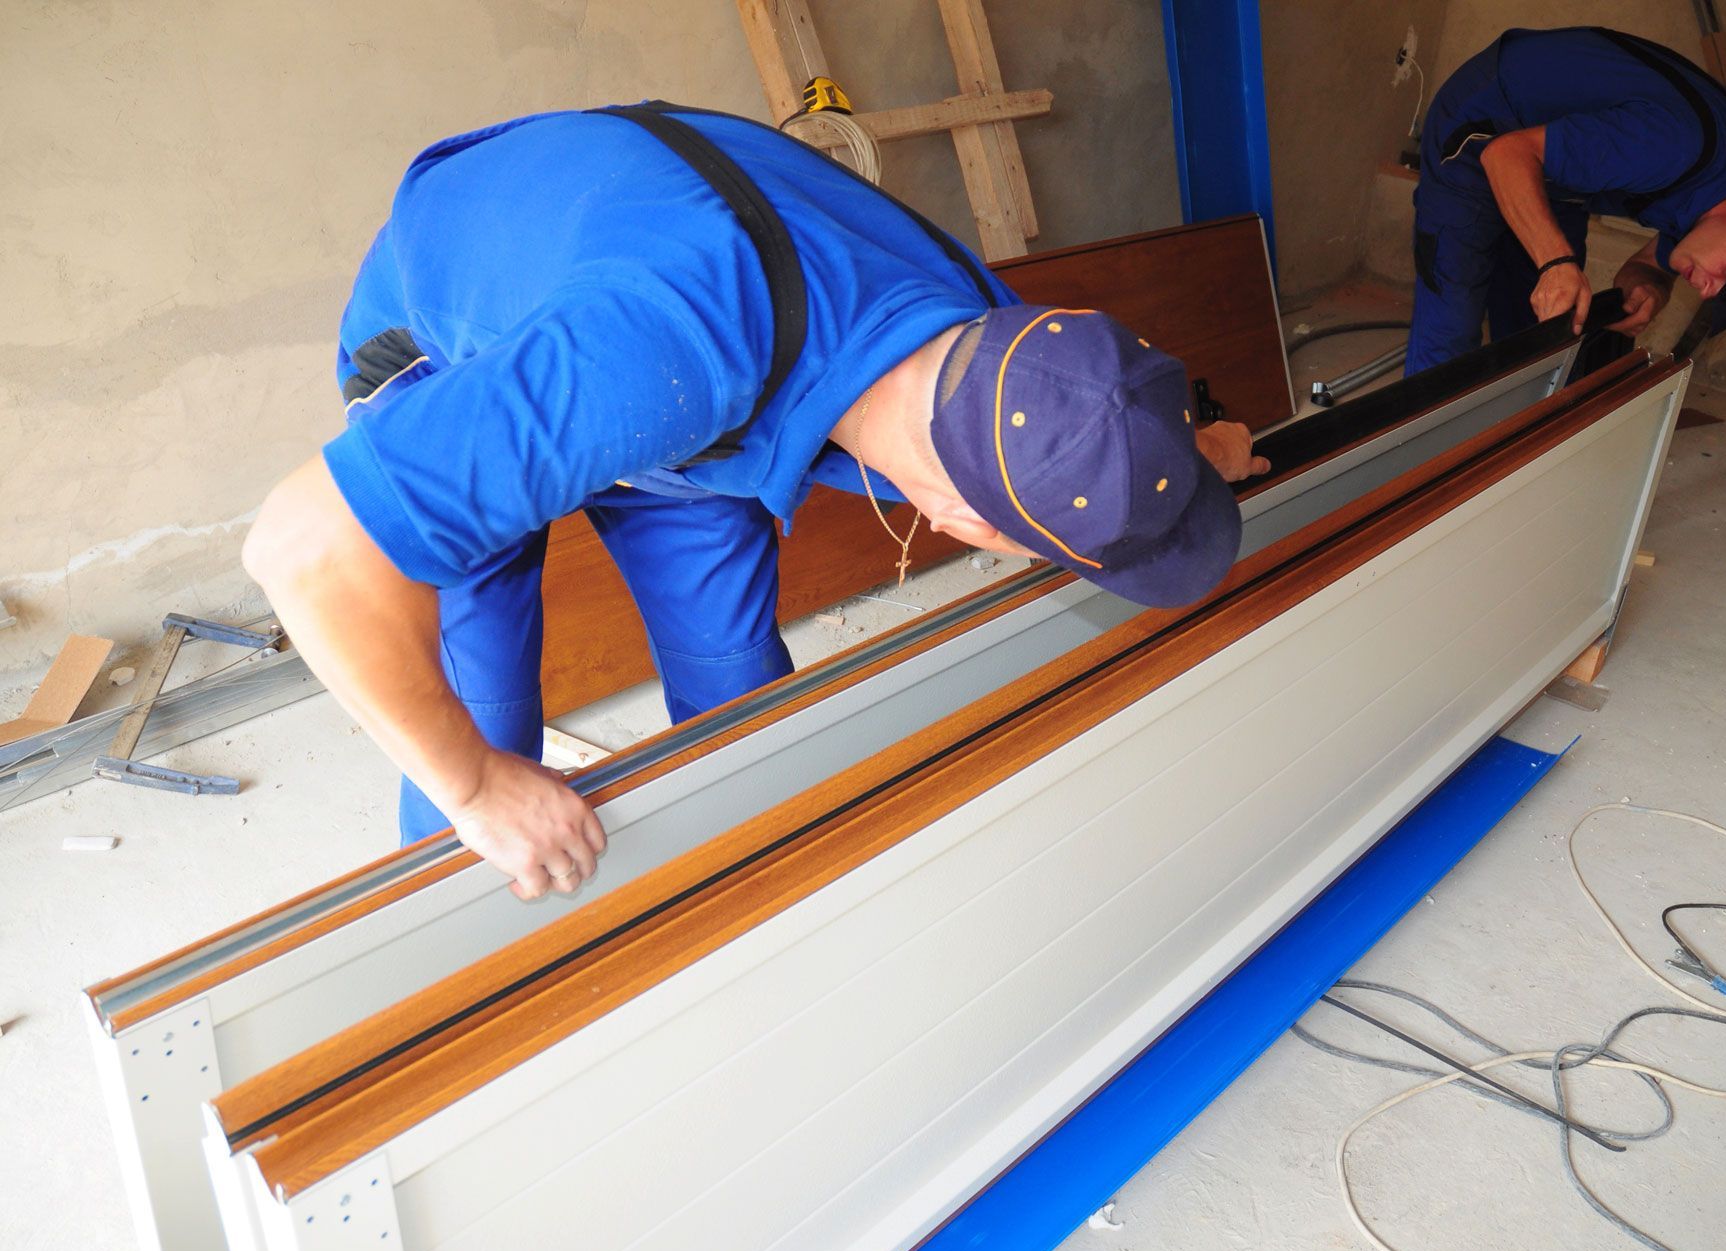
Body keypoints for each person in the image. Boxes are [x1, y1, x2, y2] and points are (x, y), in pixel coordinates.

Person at [242, 102, 1268, 901]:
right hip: (462, 327)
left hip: (673, 328)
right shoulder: (663, 355)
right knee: (483, 716)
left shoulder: (1002, 346)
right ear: (967, 530)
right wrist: (472, 785)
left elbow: (1093, 415)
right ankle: (453, 968)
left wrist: (1185, 459)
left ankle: (739, 905)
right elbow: (303, 551)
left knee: (737, 693)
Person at [1407, 26, 1726, 374]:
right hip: (1484, 131)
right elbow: (1505, 155)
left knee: (1543, 335)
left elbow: (1654, 260)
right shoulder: (1674, 145)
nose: (1708, 289)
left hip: (1557, 165)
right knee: (1451, 332)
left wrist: (1648, 282)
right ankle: (1418, 473)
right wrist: (1555, 261)